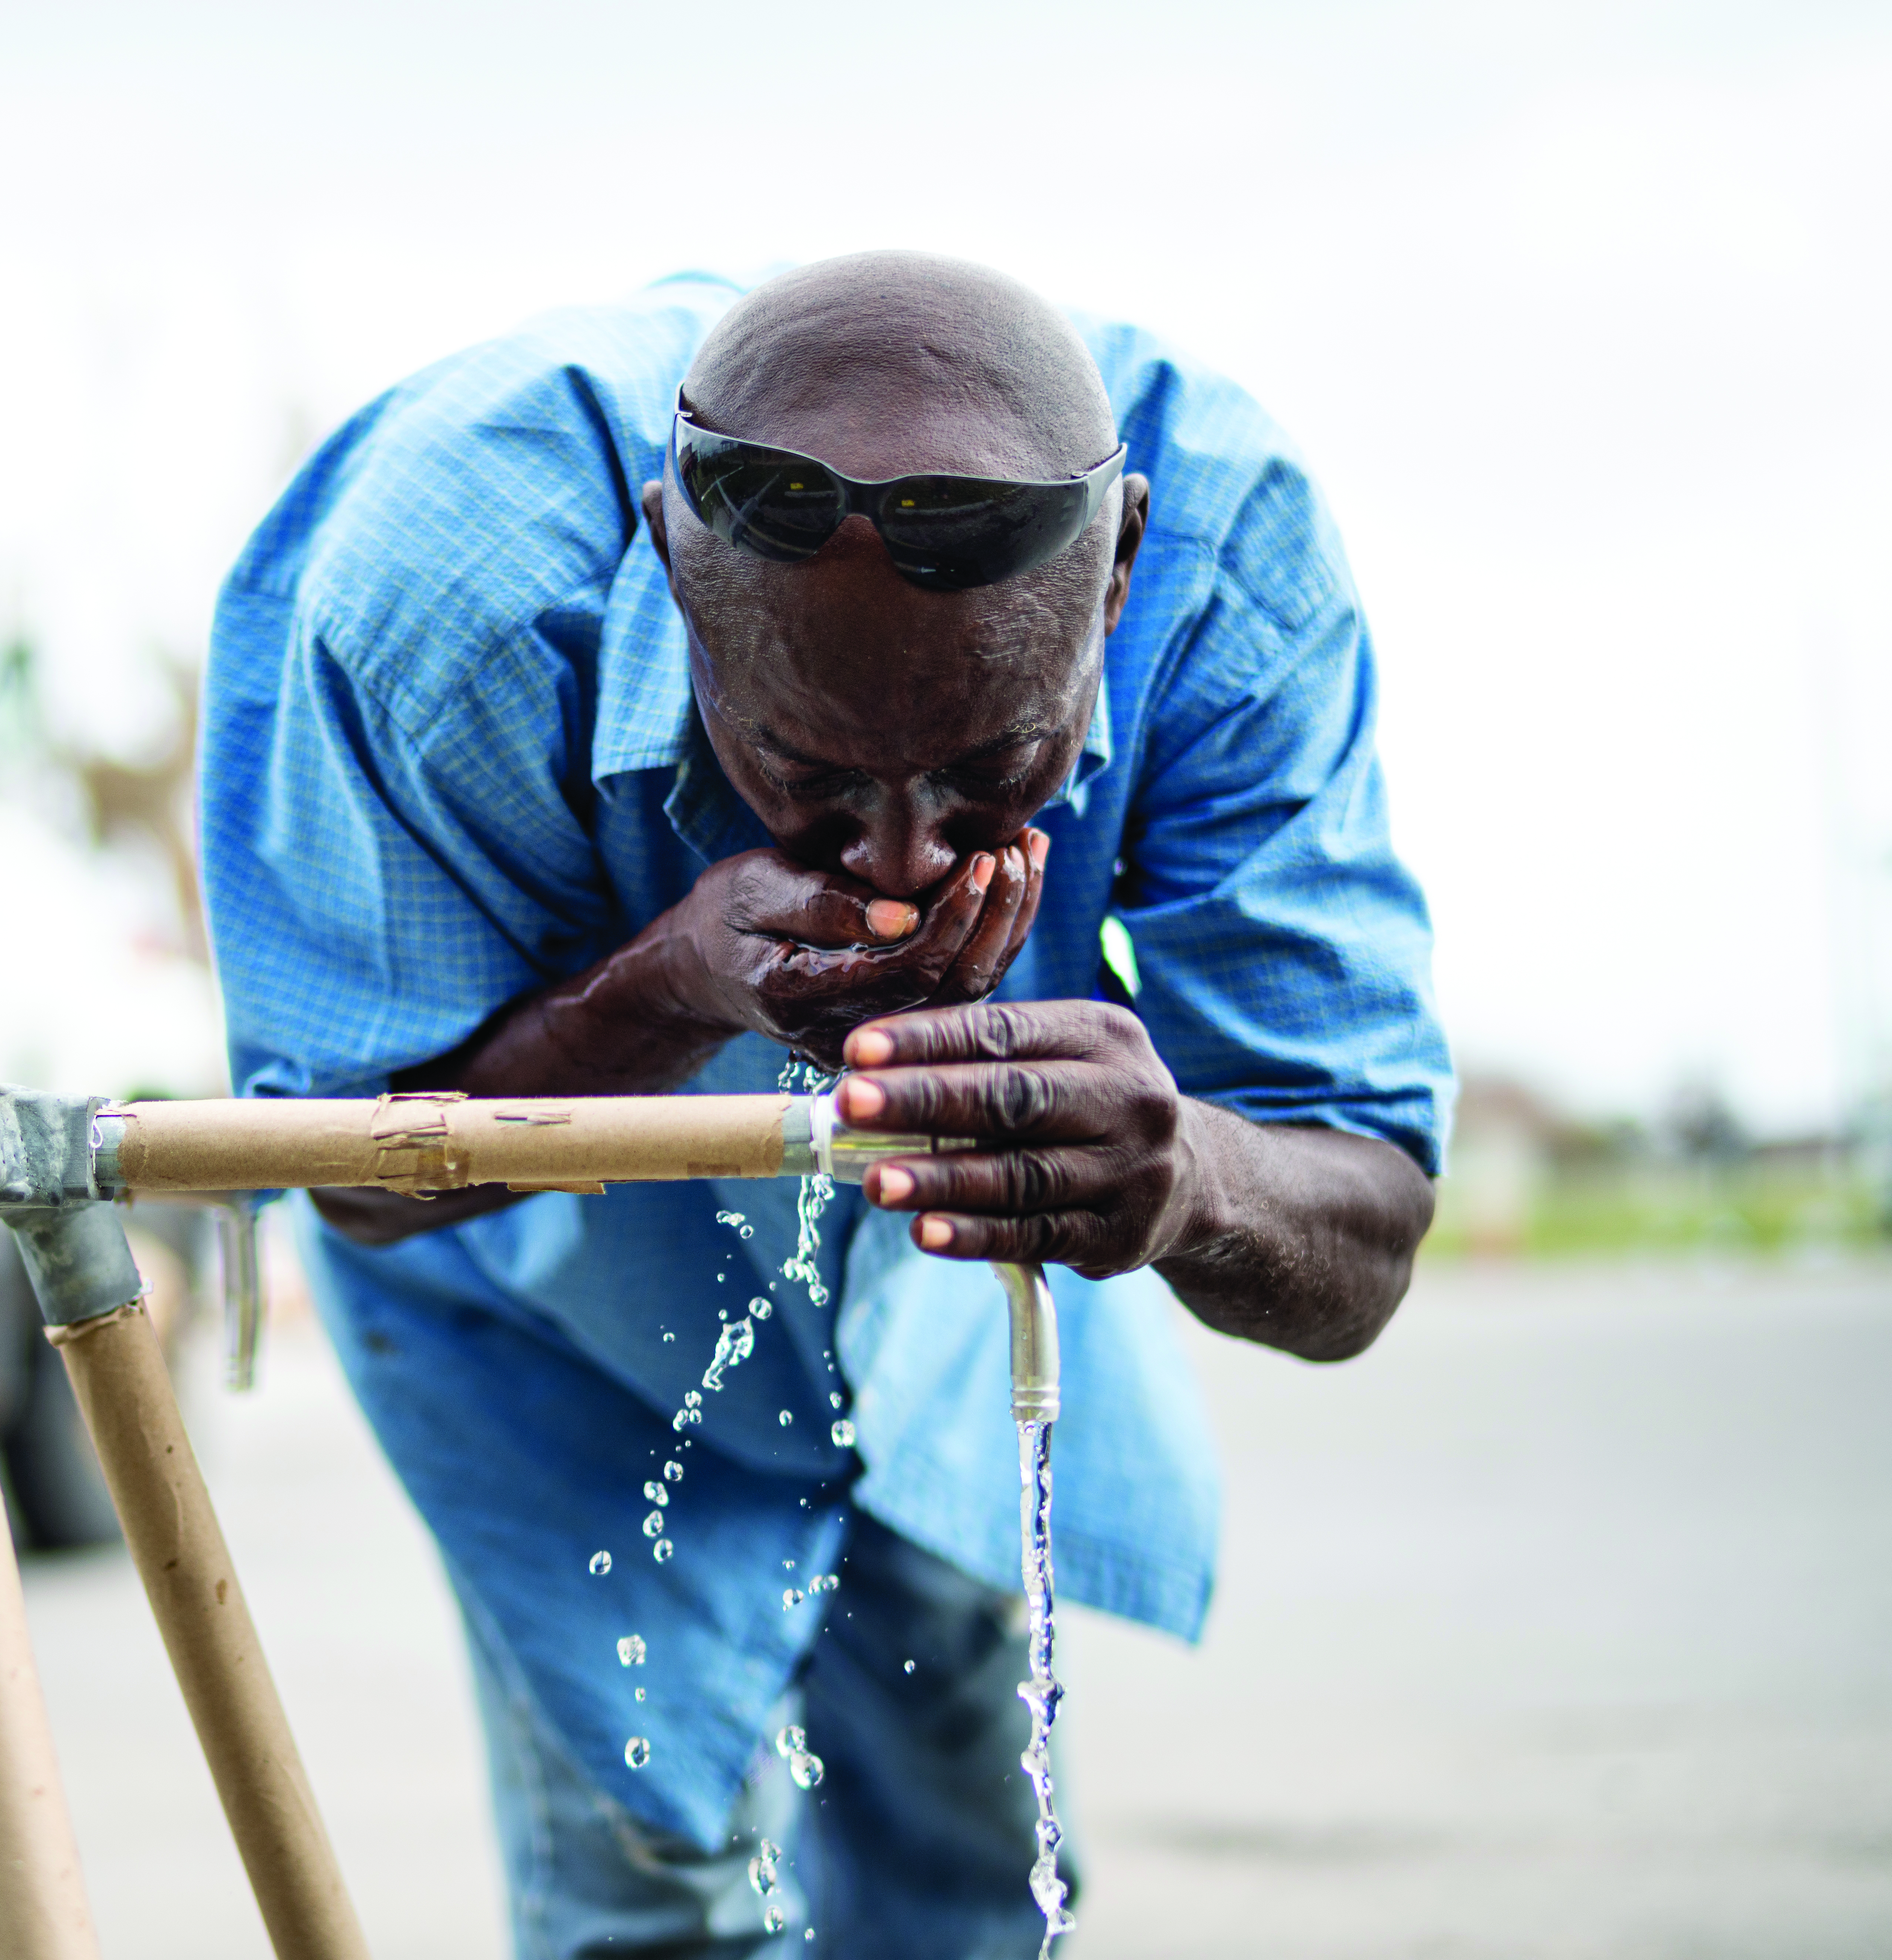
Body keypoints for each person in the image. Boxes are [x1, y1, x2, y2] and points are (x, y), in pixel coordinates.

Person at [200, 253, 1449, 1957]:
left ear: (1122, 570)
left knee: (964, 1850)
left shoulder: (1235, 566)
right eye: (799, 765)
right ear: (666, 554)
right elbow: (353, 1166)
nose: (898, 863)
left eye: (992, 762)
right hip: (545, 1330)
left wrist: (1186, 1178)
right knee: (659, 1880)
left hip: (930, 1304)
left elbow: (1359, 1234)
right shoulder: (438, 590)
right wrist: (667, 983)